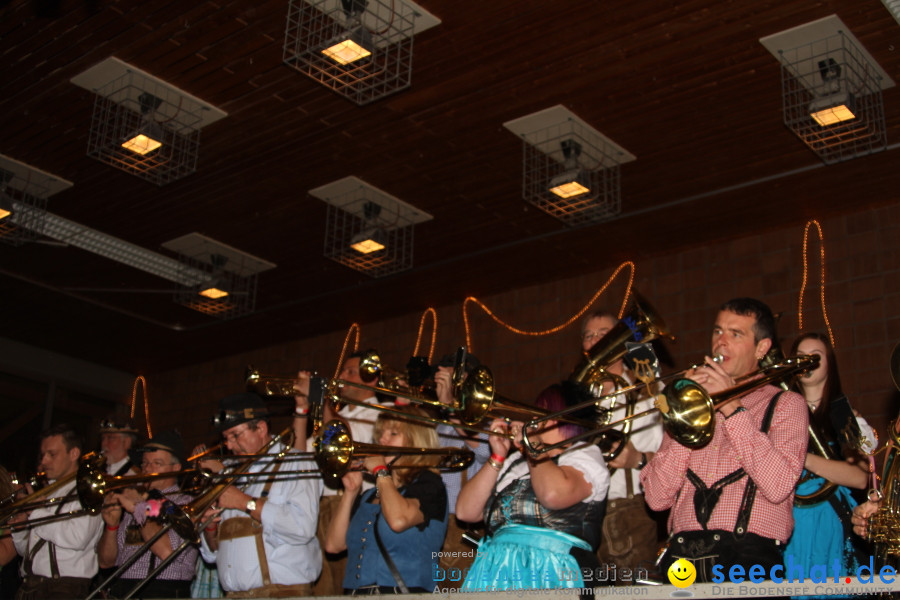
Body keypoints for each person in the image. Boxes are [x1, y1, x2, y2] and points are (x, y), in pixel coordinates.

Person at [641, 297, 808, 582]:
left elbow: (779, 485)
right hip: (683, 563)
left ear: (762, 348)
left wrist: (731, 406)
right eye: (718, 331)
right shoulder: (689, 404)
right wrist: (687, 415)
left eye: (736, 334)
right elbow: (656, 499)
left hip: (749, 561)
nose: (721, 342)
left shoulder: (786, 404)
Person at [456, 382, 610, 591]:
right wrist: (498, 456)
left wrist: (532, 445)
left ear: (564, 420)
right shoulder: (515, 463)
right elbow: (466, 511)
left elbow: (552, 495)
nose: (535, 420)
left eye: (545, 413)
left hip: (552, 570)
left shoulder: (585, 453)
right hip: (495, 568)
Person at [199, 392, 322, 597]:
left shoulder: (297, 463)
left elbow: (302, 528)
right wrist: (210, 529)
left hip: (282, 593)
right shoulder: (227, 474)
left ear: (261, 429)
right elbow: (213, 556)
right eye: (225, 439)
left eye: (235, 435)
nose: (229, 445)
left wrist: (244, 502)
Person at [323, 407, 448, 593]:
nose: (382, 440)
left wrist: (381, 472)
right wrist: (351, 492)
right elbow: (334, 545)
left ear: (416, 440)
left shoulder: (430, 485)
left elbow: (399, 520)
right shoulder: (369, 495)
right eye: (380, 434)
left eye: (393, 433)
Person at [784, 332, 876, 584]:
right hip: (788, 522)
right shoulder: (780, 414)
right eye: (801, 357)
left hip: (830, 522)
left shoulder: (843, 414)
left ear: (830, 365)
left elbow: (860, 477)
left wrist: (803, 458)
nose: (808, 362)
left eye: (816, 356)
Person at [580, 310, 663, 580]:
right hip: (583, 513)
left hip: (630, 510)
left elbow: (670, 459)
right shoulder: (578, 397)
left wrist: (636, 458)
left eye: (604, 334)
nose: (595, 342)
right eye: (589, 336)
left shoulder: (647, 389)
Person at [310, 351, 383, 596]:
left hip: (352, 506)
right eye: (342, 371)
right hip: (320, 509)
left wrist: (322, 403)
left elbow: (344, 439)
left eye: (349, 372)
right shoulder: (336, 415)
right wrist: (303, 408)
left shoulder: (383, 414)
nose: (340, 377)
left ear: (371, 379)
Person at [97, 429, 197, 598]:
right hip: (123, 589)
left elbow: (166, 552)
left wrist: (140, 507)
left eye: (157, 463)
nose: (148, 469)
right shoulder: (136, 504)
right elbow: (106, 562)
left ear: (176, 467)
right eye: (144, 464)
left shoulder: (186, 503)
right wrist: (111, 526)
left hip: (164, 591)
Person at [11, 424, 103, 599]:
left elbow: (78, 538)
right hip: (31, 586)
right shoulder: (47, 491)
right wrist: (19, 527)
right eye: (43, 455)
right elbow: (28, 552)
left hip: (62, 590)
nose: (43, 461)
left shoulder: (87, 490)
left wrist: (35, 513)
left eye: (52, 454)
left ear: (74, 454)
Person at [432, 352, 490, 587]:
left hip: (466, 526)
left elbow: (485, 451)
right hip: (440, 523)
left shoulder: (487, 418)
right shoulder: (441, 424)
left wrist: (451, 409)